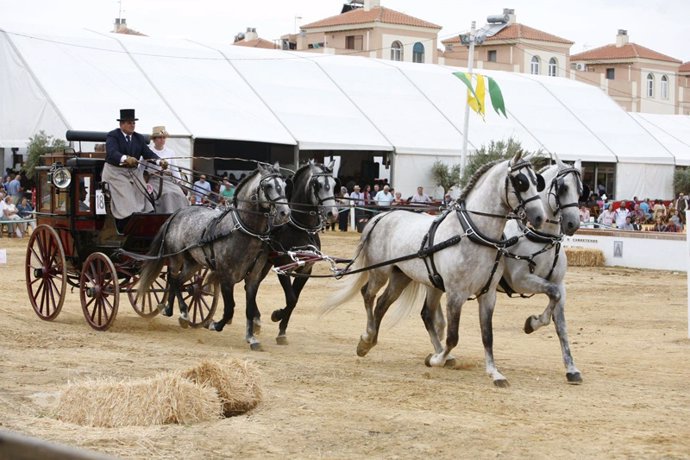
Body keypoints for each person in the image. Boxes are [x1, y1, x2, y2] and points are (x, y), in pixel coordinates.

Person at [104, 109, 168, 233]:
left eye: (133, 123)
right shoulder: (113, 136)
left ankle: (146, 219)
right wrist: (125, 158)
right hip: (115, 172)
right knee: (126, 196)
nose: (132, 125)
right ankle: (125, 226)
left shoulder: (138, 138)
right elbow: (112, 153)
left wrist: (159, 161)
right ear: (121, 124)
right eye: (129, 123)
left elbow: (148, 153)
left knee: (143, 193)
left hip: (133, 172)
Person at [147, 125, 188, 213]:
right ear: (154, 139)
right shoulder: (148, 151)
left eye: (163, 138)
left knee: (180, 194)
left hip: (168, 180)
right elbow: (141, 168)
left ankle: (181, 215)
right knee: (167, 194)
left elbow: (174, 170)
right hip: (154, 180)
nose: (162, 140)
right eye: (159, 138)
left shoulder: (170, 152)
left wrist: (180, 183)